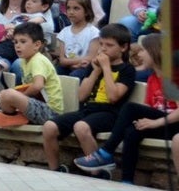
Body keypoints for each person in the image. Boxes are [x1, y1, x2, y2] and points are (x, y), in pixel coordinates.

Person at [73, 34, 178, 182]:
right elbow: (149, 106)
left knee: (130, 108)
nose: (139, 54)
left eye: (143, 50)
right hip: (163, 123)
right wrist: (144, 121)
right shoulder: (153, 78)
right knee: (132, 131)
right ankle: (127, 181)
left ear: (155, 51)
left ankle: (105, 153)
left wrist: (155, 123)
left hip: (173, 124)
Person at [41, 24, 135, 174]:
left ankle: (98, 172)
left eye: (109, 45)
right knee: (49, 127)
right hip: (88, 109)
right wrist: (95, 72)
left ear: (123, 48)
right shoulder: (94, 67)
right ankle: (55, 170)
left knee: (81, 127)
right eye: (101, 44)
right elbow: (81, 96)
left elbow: (113, 97)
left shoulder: (127, 70)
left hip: (110, 113)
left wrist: (106, 68)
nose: (103, 49)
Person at [0, 23, 64, 127]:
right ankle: (15, 117)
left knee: (9, 94)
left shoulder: (38, 60)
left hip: (50, 112)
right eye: (15, 42)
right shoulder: (24, 61)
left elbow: (38, 86)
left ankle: (13, 116)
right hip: (36, 105)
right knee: (3, 95)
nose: (17, 45)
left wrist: (21, 96)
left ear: (37, 45)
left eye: (23, 42)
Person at [55, 0, 101, 78]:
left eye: (76, 8)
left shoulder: (94, 32)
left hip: (86, 67)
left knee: (76, 75)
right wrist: (75, 63)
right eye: (68, 8)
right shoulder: (64, 32)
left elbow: (92, 57)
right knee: (55, 73)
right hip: (68, 66)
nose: (71, 12)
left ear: (87, 11)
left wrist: (77, 63)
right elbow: (62, 60)